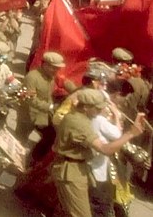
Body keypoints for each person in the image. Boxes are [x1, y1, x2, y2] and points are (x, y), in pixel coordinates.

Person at [52, 89, 145, 217]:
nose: (101, 110)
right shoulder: (78, 123)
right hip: (70, 171)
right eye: (97, 108)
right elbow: (105, 149)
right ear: (85, 107)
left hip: (77, 168)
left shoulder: (81, 117)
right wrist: (131, 133)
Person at [24, 51, 65, 162]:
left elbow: (49, 95)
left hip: (44, 115)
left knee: (52, 136)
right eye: (54, 68)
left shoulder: (50, 77)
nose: (56, 71)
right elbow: (30, 99)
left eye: (57, 68)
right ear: (45, 65)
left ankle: (34, 159)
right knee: (21, 140)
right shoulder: (32, 77)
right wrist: (50, 107)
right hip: (30, 115)